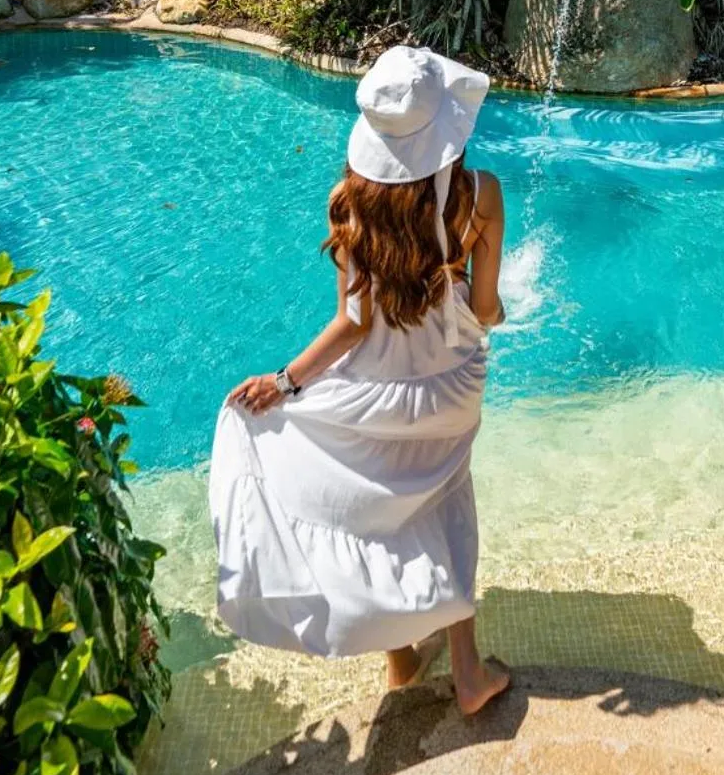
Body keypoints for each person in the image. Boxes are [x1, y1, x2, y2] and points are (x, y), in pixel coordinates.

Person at [209, 45, 511, 716]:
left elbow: (351, 322)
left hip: (376, 385)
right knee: (444, 500)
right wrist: (481, 301)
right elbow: (485, 312)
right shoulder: (480, 193)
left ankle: (402, 658)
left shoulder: (348, 200)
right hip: (450, 385)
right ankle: (466, 672)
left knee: (380, 509)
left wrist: (284, 384)